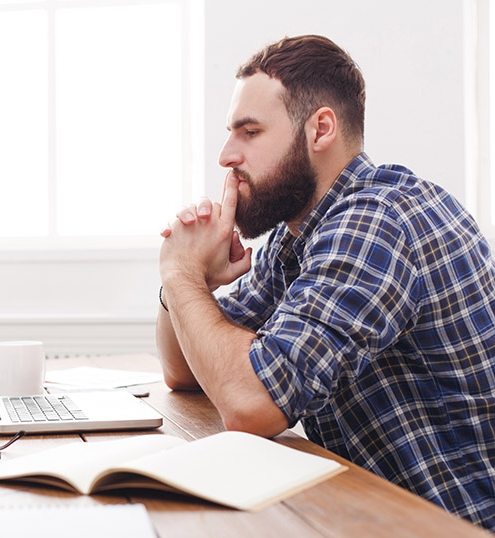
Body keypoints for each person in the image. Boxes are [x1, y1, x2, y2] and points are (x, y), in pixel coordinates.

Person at [156, 34, 495, 531]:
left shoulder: (376, 222)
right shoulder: (297, 237)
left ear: (320, 130)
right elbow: (185, 373)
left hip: (449, 525)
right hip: (369, 515)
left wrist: (180, 273)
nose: (226, 155)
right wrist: (185, 285)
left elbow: (250, 404)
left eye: (249, 132)